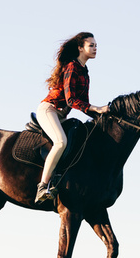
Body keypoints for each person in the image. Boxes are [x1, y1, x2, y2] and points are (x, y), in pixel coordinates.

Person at [35, 32, 109, 203]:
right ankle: (43, 186)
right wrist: (96, 108)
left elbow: (84, 104)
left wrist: (103, 116)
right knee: (61, 142)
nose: (95, 48)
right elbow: (72, 100)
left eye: (96, 45)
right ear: (80, 48)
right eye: (91, 45)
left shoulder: (85, 71)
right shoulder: (72, 67)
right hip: (50, 110)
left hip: (61, 114)